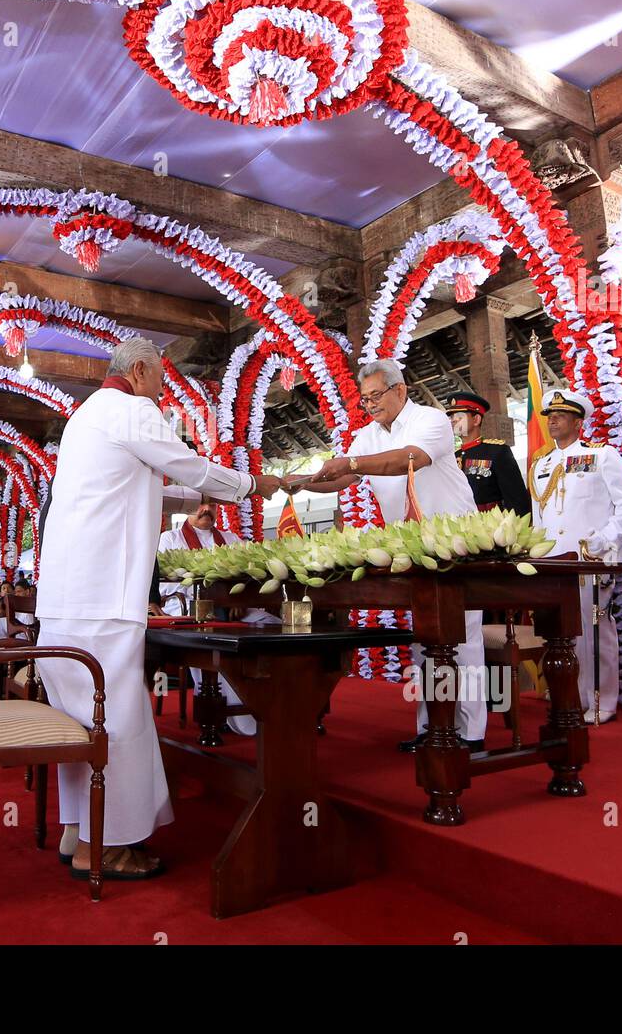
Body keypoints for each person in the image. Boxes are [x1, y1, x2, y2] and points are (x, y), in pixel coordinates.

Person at [37, 337, 281, 880]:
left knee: (82, 722)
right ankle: (107, 848)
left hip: (64, 601)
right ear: (141, 370)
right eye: (161, 380)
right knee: (118, 719)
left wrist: (205, 495)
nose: (164, 390)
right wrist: (258, 483)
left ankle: (78, 831)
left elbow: (142, 487)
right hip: (103, 596)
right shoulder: (132, 409)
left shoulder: (86, 416)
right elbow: (189, 468)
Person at [291, 359, 487, 752]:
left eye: (376, 395)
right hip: (413, 544)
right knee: (425, 638)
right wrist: (306, 483)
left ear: (401, 389)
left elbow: (407, 460)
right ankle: (431, 727)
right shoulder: (367, 435)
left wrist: (347, 463)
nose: (370, 405)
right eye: (364, 400)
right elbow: (350, 477)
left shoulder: (430, 420)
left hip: (458, 541)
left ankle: (470, 733)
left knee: (461, 637)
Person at [529, 388, 622, 723]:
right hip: (554, 561)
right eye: (550, 415)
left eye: (561, 415)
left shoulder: (601, 456)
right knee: (562, 634)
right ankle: (571, 697)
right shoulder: (540, 465)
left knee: (594, 630)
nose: (553, 420)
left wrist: (603, 541)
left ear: (578, 421)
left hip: (590, 558)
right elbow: (538, 518)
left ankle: (602, 702)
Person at [157, 502, 278, 736]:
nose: (206, 509)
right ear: (189, 507)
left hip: (233, 609)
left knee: (273, 626)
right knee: (208, 637)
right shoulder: (169, 539)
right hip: (189, 609)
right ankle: (222, 713)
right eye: (200, 505)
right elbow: (163, 586)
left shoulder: (230, 538)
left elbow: (252, 572)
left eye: (211, 504)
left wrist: (238, 600)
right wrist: (211, 600)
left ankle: (272, 703)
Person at [447, 392, 529, 517]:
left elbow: (516, 499)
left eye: (459, 416)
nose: (453, 420)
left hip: (491, 526)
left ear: (476, 419)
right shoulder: (452, 457)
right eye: (451, 416)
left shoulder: (497, 451)